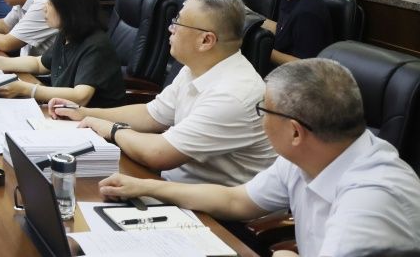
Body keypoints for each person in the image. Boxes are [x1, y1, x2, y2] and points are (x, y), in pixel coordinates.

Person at [99, 59, 420, 257]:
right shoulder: (307, 155)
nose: (259, 119)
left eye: (263, 110)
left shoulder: (371, 201)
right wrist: (147, 188)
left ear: (295, 132)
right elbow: (236, 200)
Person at [49, 0, 277, 186]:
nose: (170, 28)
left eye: (178, 22)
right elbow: (151, 114)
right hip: (174, 188)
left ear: (206, 40)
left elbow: (158, 153)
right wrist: (84, 113)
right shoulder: (197, 66)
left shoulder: (233, 94)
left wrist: (111, 129)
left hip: (216, 214)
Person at [0, 0, 125, 107]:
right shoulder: (66, 33)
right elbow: (39, 64)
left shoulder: (96, 46)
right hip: (63, 113)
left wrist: (28, 90)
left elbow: (81, 97)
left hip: (91, 122)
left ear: (69, 10)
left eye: (50, 3)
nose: (44, 9)